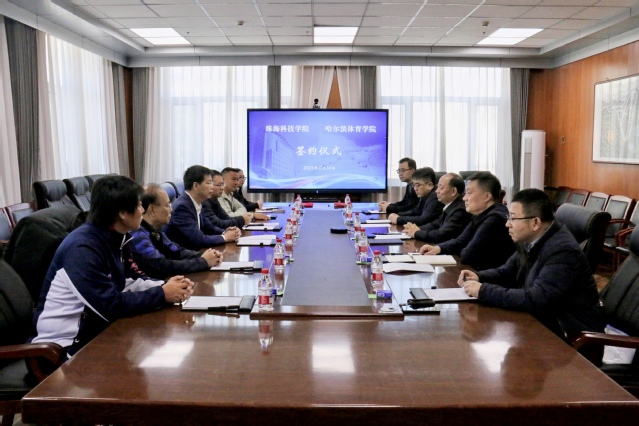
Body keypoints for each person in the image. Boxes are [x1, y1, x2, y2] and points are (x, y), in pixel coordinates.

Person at [30, 175, 194, 358]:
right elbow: (108, 305)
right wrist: (162, 294)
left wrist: (167, 286)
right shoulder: (82, 249)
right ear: (122, 212)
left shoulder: (117, 237)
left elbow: (130, 280)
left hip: (95, 332)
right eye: (139, 205)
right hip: (62, 349)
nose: (143, 210)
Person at [458, 188, 604, 340]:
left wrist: (483, 291)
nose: (507, 224)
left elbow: (536, 299)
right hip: (541, 321)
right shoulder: (530, 239)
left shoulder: (563, 251)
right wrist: (479, 277)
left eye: (513, 218)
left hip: (567, 335)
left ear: (535, 223)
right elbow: (507, 271)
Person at [419, 171, 514, 270]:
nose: (464, 198)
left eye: (469, 193)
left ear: (487, 197)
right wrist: (438, 248)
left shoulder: (495, 219)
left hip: (489, 275)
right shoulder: (480, 214)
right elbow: (461, 240)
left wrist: (460, 248)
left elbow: (468, 255)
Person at [129, 184, 222, 280]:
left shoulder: (155, 228)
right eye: (167, 205)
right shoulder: (137, 234)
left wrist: (207, 255)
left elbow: (176, 251)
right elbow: (161, 266)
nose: (171, 209)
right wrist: (202, 262)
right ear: (152, 209)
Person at [165, 165, 241, 250]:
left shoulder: (196, 202)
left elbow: (209, 227)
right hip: (185, 254)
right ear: (196, 186)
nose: (212, 186)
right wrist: (225, 237)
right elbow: (199, 239)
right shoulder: (182, 207)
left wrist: (226, 232)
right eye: (209, 183)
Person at [403, 173, 471, 243]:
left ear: (453, 191)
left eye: (441, 188)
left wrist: (416, 233)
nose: (436, 191)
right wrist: (417, 229)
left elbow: (441, 235)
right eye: (437, 187)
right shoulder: (452, 205)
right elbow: (436, 224)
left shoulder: (460, 210)